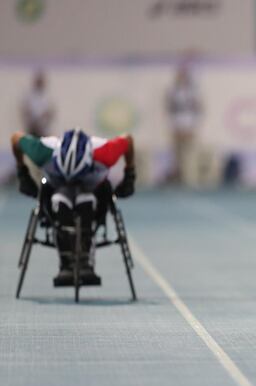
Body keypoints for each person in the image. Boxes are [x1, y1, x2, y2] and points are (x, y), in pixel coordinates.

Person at [11, 128, 136, 286]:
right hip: (56, 188)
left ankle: (85, 258)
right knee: (60, 199)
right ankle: (66, 260)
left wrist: (129, 175)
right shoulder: (43, 152)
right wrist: (22, 172)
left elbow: (128, 139)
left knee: (86, 199)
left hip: (92, 189)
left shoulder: (103, 153)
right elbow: (16, 138)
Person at [165, 64, 202, 185]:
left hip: (189, 125)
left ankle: (190, 178)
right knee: (177, 154)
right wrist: (173, 126)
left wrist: (193, 126)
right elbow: (170, 109)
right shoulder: (173, 91)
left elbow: (197, 109)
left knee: (189, 153)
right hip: (177, 126)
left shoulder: (193, 91)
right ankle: (179, 177)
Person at [20, 70, 55, 137]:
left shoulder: (47, 96)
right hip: (31, 127)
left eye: (41, 81)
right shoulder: (28, 95)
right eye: (38, 81)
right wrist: (33, 122)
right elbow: (25, 110)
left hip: (43, 129)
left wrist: (43, 120)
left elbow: (51, 112)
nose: (40, 83)